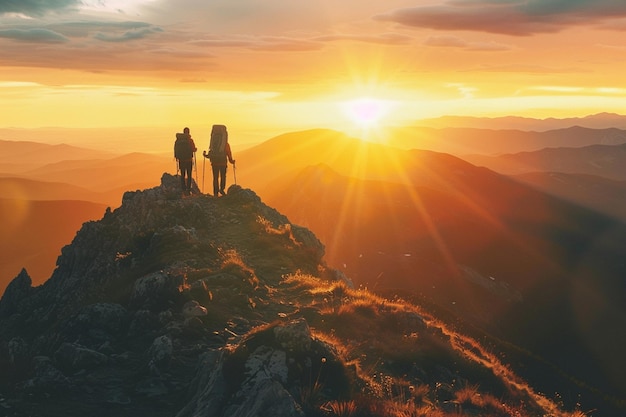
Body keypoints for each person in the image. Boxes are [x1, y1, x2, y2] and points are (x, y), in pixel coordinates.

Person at [203, 125, 235, 196]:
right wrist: (231, 161)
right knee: (223, 176)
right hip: (223, 163)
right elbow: (228, 153)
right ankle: (222, 189)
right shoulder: (225, 144)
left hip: (214, 163)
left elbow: (210, 154)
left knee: (215, 177)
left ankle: (215, 192)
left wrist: (205, 155)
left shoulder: (213, 143)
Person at [174, 127, 197, 195]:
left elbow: (176, 150)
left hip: (181, 160)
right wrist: (195, 149)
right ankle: (188, 189)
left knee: (183, 175)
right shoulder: (190, 140)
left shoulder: (178, 141)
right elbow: (193, 149)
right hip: (189, 160)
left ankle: (183, 189)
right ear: (188, 132)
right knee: (189, 175)